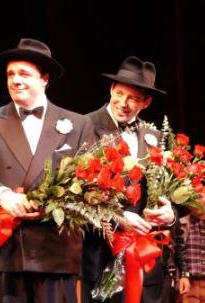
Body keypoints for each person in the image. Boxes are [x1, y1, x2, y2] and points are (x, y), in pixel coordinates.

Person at [0, 38, 96, 303]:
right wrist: (2, 195)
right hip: (4, 253)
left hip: (56, 253)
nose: (15, 80)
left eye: (24, 74)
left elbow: (91, 183)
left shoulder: (78, 125)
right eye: (10, 74)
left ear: (44, 79)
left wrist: (57, 204)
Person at [83, 56, 176, 303]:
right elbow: (74, 195)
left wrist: (170, 214)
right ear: (111, 89)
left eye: (133, 98)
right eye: (120, 93)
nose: (123, 103)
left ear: (146, 103)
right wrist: (116, 218)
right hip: (102, 256)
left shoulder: (155, 136)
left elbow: (168, 191)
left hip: (147, 260)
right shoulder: (86, 127)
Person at [176, 201, 204, 303]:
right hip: (189, 282)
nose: (197, 202)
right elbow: (177, 252)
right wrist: (182, 275)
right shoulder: (181, 224)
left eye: (201, 197)